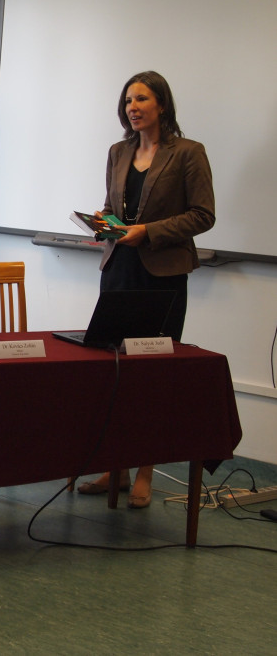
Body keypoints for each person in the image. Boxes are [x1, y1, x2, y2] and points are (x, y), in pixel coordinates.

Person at [78, 71, 215, 508]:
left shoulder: (188, 152)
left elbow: (203, 214)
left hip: (163, 277)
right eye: (127, 101)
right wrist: (103, 225)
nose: (132, 107)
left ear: (162, 105)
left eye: (141, 99)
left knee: (152, 375)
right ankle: (114, 468)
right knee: (114, 372)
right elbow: (111, 206)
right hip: (119, 269)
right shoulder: (118, 152)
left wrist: (148, 232)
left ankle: (144, 471)